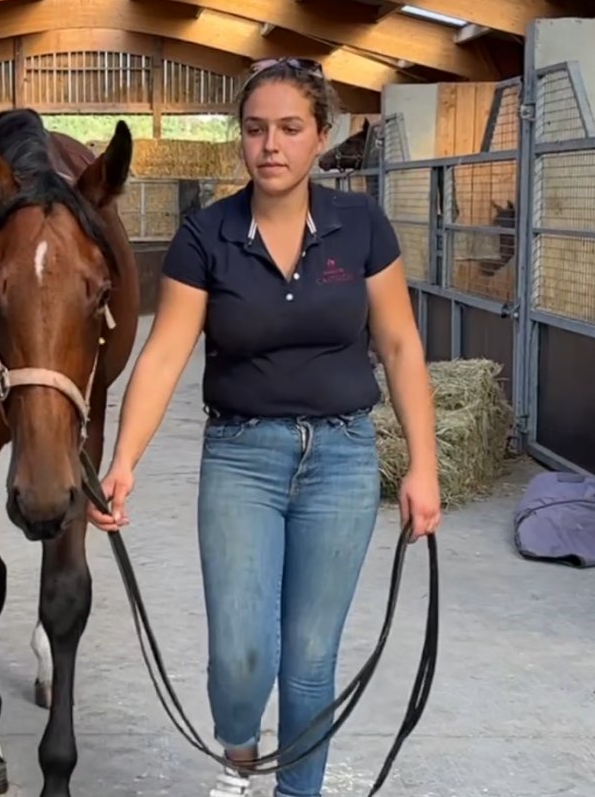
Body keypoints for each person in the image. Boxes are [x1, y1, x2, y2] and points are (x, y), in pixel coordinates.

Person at [87, 57, 442, 797]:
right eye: (255, 130)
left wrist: (424, 466)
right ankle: (239, 746)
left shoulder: (360, 227)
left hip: (342, 457)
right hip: (241, 456)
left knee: (311, 658)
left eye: (289, 128)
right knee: (240, 657)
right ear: (240, 138)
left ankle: (296, 791)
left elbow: (401, 345)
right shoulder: (207, 235)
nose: (270, 145)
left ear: (321, 135)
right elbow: (164, 356)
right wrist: (123, 461)